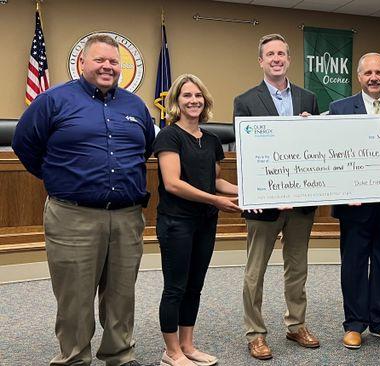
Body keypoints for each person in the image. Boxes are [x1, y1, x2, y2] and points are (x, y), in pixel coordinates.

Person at [12, 34, 155, 366]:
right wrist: (61, 178)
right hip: (73, 216)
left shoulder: (135, 106)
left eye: (113, 61)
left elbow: (144, 148)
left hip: (127, 216)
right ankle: (74, 357)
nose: (107, 66)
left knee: (122, 293)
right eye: (100, 60)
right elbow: (25, 145)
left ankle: (119, 353)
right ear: (81, 63)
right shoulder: (53, 100)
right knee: (75, 296)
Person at [233, 33, 320, 360]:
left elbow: (316, 148)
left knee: (297, 267)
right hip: (265, 201)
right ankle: (255, 333)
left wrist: (313, 128)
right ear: (261, 61)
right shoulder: (245, 100)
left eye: (281, 53)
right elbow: (246, 151)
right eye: (270, 54)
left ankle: (296, 324)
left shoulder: (308, 98)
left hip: (300, 200)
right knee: (255, 271)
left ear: (288, 58)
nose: (276, 59)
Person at [154, 74, 241, 366]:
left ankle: (187, 345)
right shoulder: (168, 136)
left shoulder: (213, 140)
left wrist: (249, 191)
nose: (193, 101)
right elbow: (173, 183)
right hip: (176, 222)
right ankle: (171, 351)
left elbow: (215, 181)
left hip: (205, 222)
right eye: (187, 96)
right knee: (175, 287)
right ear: (176, 102)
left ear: (205, 101)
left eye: (198, 96)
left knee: (195, 286)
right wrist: (215, 200)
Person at [328, 52, 380, 349]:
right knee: (353, 263)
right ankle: (353, 324)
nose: (373, 78)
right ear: (359, 77)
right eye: (368, 73)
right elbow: (332, 154)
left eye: (379, 73)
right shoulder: (339, 109)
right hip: (355, 203)